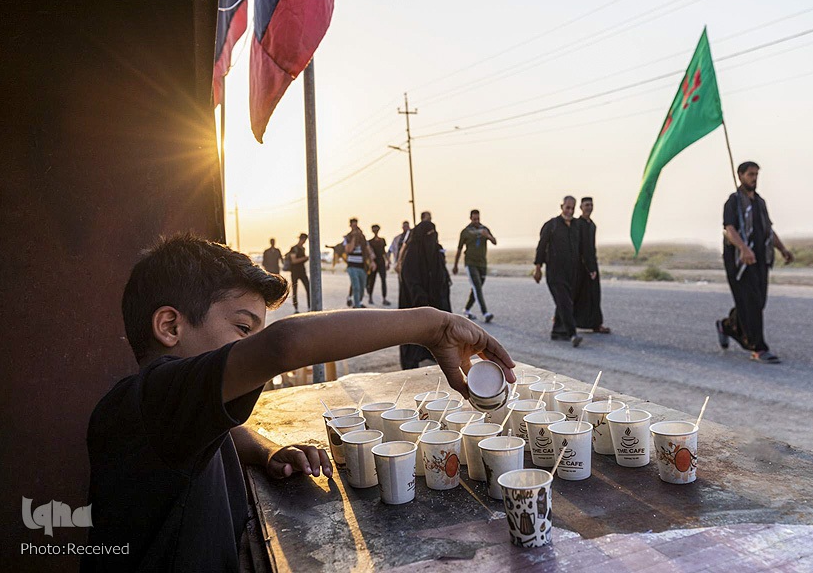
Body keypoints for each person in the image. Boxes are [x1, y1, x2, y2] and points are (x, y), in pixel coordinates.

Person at [83, 234, 515, 572]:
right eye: (242, 328)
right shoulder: (147, 404)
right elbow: (283, 345)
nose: (250, 347)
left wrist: (266, 450)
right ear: (170, 326)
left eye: (255, 332)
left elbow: (226, 432)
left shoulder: (175, 415)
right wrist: (432, 325)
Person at [716, 161, 794, 364]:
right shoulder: (734, 202)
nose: (754, 178)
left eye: (756, 174)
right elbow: (729, 230)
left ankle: (726, 326)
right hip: (740, 260)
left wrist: (783, 249)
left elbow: (768, 229)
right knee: (750, 304)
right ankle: (758, 348)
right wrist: (743, 248)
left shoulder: (760, 203)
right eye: (750, 174)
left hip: (760, 259)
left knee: (757, 302)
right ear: (740, 175)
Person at [398, 220, 453, 369]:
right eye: (429, 234)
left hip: (435, 303)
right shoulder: (411, 255)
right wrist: (422, 301)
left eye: (434, 233)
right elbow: (410, 280)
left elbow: (442, 277)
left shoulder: (436, 251)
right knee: (414, 338)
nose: (433, 237)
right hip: (415, 306)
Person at [534, 196, 584, 347]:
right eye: (567, 207)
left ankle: (557, 332)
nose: (569, 211)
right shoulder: (552, 225)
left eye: (572, 208)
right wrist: (538, 268)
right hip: (555, 273)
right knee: (564, 302)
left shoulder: (576, 225)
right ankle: (572, 334)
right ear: (562, 206)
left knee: (565, 301)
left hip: (572, 272)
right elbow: (541, 247)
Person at [574, 197, 610, 334]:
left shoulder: (592, 225)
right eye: (586, 205)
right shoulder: (577, 224)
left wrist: (592, 266)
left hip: (591, 264)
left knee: (594, 295)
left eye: (591, 205)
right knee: (576, 295)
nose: (589, 207)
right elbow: (580, 247)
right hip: (580, 265)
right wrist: (588, 268)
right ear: (581, 207)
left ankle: (596, 324)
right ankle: (563, 321)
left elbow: (591, 248)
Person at [453, 209, 496, 323]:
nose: (476, 221)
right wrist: (455, 265)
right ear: (470, 218)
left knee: (478, 288)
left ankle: (466, 309)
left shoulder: (484, 229)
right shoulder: (465, 232)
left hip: (482, 263)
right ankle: (485, 312)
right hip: (470, 263)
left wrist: (488, 236)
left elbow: (494, 241)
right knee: (477, 287)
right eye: (474, 219)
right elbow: (459, 249)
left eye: (478, 219)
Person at [344, 218, 375, 308]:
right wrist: (354, 237)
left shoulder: (363, 238)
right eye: (353, 225)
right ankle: (357, 306)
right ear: (350, 226)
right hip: (352, 266)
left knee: (362, 288)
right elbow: (349, 249)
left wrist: (372, 261)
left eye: (356, 225)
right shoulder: (347, 237)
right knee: (356, 287)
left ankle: (358, 302)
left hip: (362, 266)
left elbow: (368, 250)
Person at [366, 224, 391, 306]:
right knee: (372, 280)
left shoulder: (382, 240)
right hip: (374, 263)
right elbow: (369, 254)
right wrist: (371, 263)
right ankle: (370, 297)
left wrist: (388, 261)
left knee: (383, 280)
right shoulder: (370, 242)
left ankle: (384, 298)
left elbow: (384, 251)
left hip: (381, 262)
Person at [286, 233, 310, 312]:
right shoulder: (294, 248)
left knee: (308, 288)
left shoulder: (303, 248)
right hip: (295, 271)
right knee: (295, 290)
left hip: (302, 271)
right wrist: (304, 258)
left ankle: (309, 306)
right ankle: (296, 307)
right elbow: (294, 260)